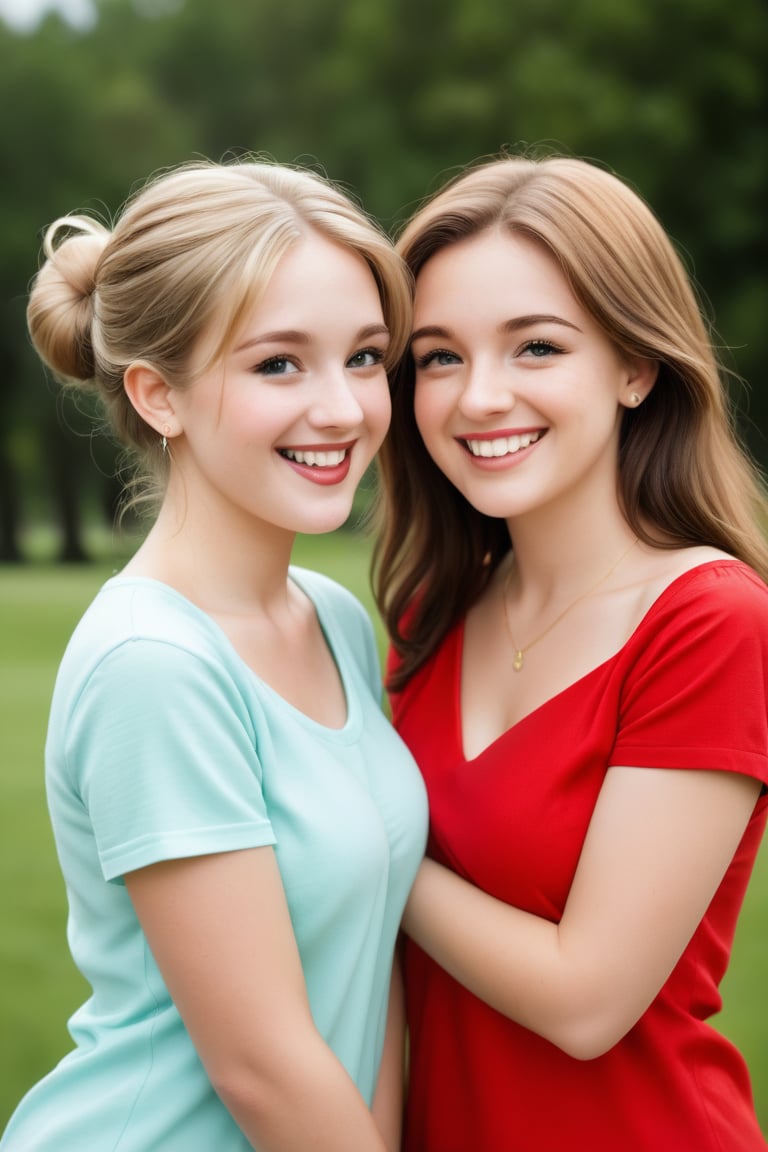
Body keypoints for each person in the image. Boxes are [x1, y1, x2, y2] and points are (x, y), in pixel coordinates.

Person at [1, 158, 428, 1152]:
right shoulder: (154, 665)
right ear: (158, 394)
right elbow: (265, 1068)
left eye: (365, 357)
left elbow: (371, 957)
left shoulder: (334, 619)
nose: (342, 409)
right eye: (279, 364)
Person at [373, 154, 768, 1151]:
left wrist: (354, 839)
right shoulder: (430, 612)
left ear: (635, 366)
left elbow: (587, 999)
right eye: (439, 357)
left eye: (537, 347)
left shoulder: (712, 623)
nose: (478, 398)